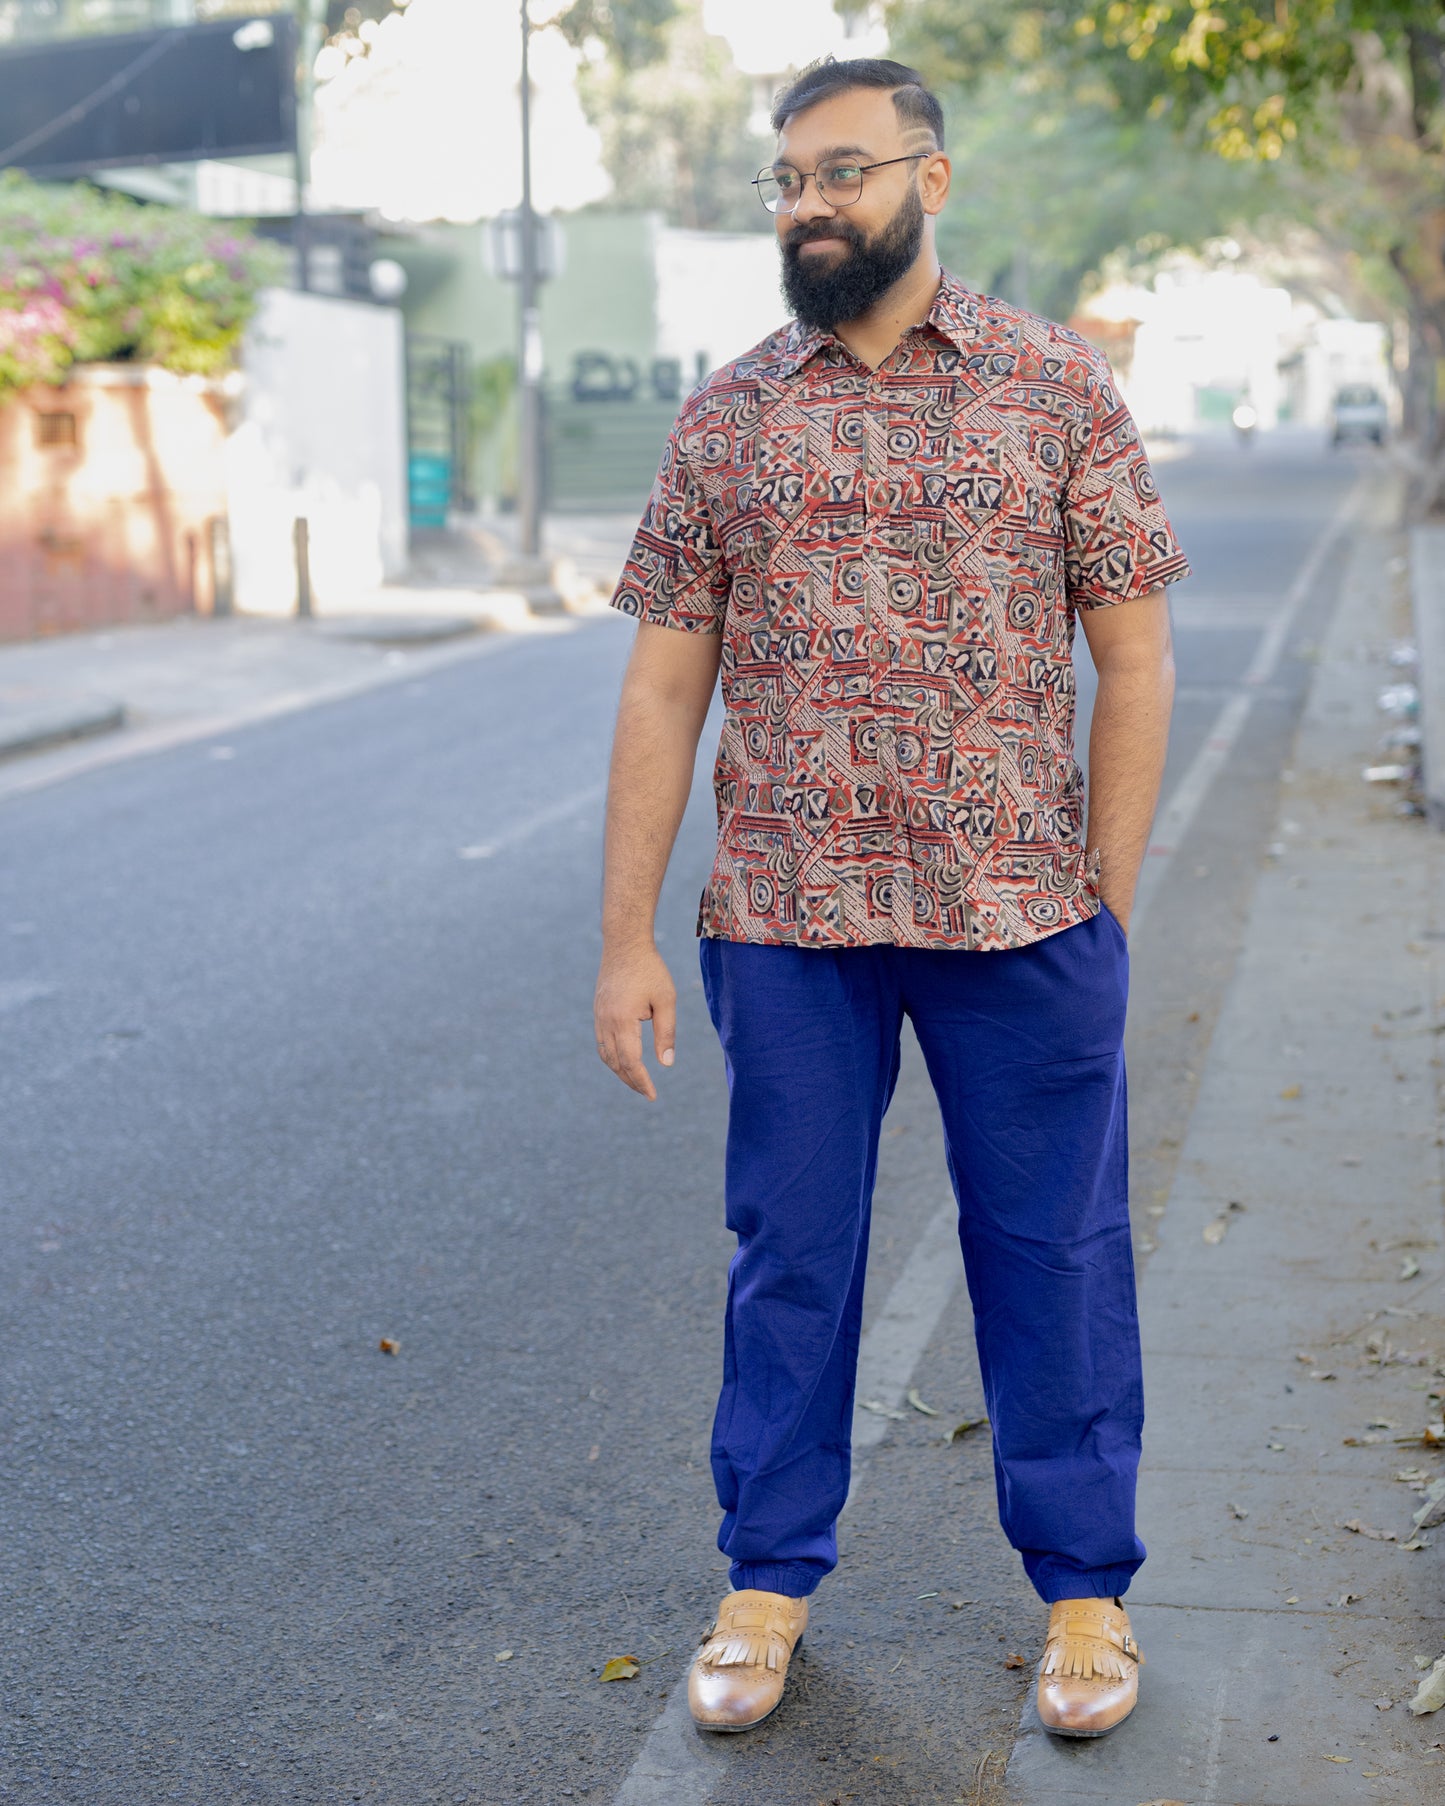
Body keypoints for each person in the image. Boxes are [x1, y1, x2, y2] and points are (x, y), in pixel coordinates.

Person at [593, 54, 1190, 1743]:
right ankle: (765, 1575)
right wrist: (628, 933)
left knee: (1052, 1249)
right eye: (785, 177)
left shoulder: (1051, 385)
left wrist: (1105, 900)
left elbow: (1131, 656)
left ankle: (1084, 1593)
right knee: (789, 1253)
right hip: (786, 917)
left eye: (839, 171)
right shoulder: (730, 413)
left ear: (931, 177)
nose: (805, 203)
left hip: (1022, 916)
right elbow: (661, 689)